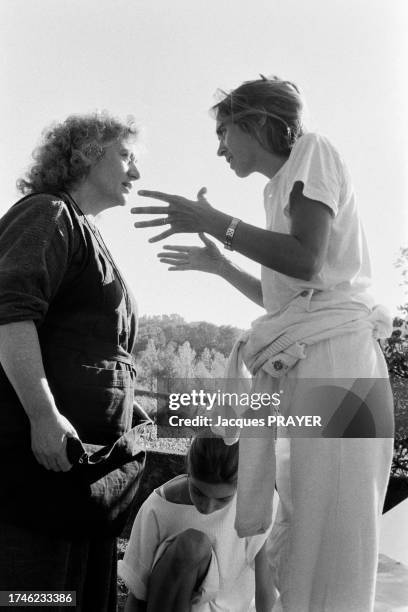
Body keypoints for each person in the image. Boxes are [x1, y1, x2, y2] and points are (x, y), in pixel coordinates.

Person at [131, 76, 395, 611]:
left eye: (225, 130)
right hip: (313, 365)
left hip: (341, 368)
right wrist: (222, 264)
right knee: (304, 524)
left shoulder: (313, 152)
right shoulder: (277, 190)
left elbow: (307, 260)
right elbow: (287, 303)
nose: (220, 147)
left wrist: (214, 221)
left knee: (338, 532)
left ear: (257, 121)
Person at [0, 112, 142, 611]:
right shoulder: (47, 214)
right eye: (125, 155)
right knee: (34, 598)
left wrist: (135, 420)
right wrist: (42, 413)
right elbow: (9, 314)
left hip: (81, 478)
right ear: (84, 154)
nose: (136, 172)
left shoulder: (88, 231)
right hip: (38, 471)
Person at [119, 435, 275, 612]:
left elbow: (266, 588)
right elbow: (138, 593)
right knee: (192, 544)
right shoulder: (158, 508)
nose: (207, 507)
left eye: (222, 499)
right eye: (199, 492)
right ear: (189, 470)